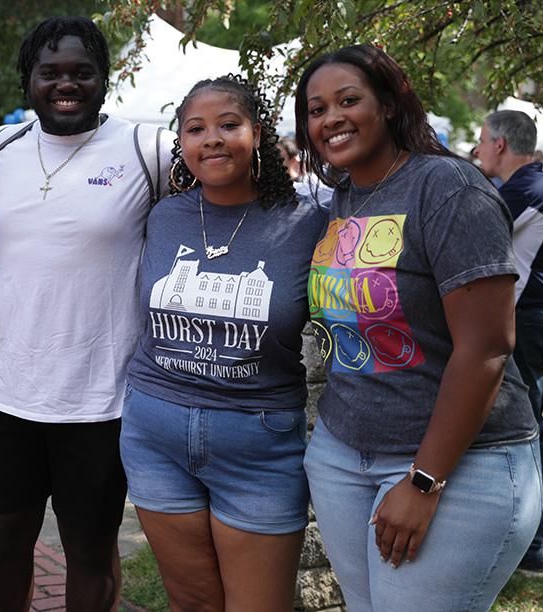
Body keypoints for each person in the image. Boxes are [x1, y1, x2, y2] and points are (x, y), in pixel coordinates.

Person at [296, 45, 541, 610]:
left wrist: (425, 480)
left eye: (348, 100)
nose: (330, 118)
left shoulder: (450, 188)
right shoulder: (346, 198)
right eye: (315, 109)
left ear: (388, 104)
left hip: (458, 464)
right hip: (344, 456)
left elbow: (486, 348)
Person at [0, 16, 173, 610]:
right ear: (27, 80)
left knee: (89, 549)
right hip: (5, 390)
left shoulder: (145, 149)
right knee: (4, 542)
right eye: (49, 72)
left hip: (102, 397)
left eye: (82, 72)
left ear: (104, 80)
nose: (66, 84)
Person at [120, 74, 324, 610]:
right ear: (180, 143)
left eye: (227, 125)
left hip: (259, 445)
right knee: (194, 603)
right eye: (195, 129)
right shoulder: (163, 218)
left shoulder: (307, 223)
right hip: (153, 435)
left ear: (257, 133)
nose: (211, 138)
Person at [476, 109, 543, 577]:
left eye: (481, 141)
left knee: (524, 430)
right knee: (531, 423)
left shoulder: (524, 190)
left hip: (533, 321)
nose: (477, 150)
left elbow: (472, 234)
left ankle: (530, 549)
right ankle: (527, 543)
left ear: (499, 144)